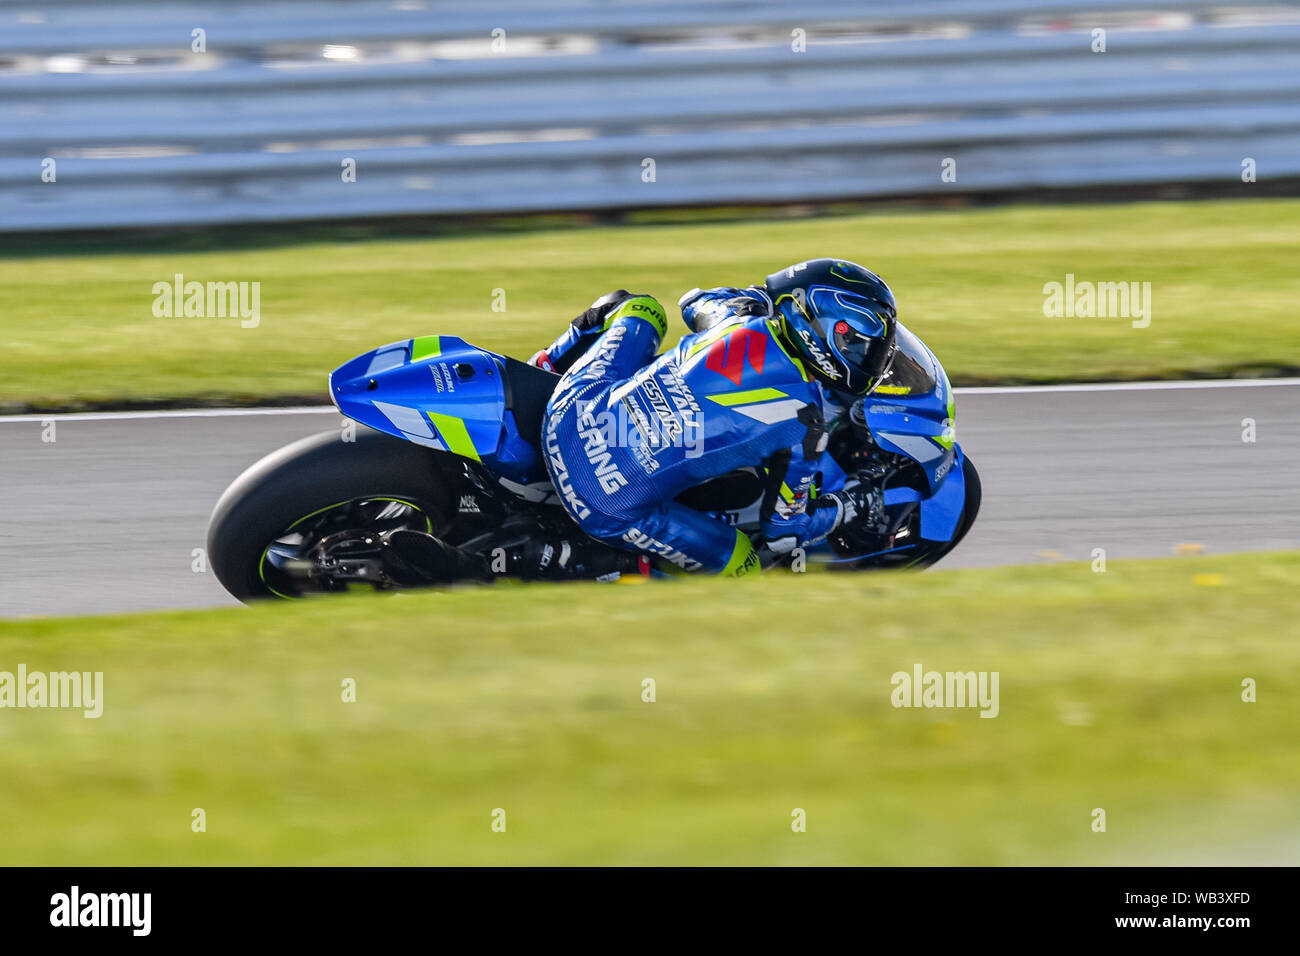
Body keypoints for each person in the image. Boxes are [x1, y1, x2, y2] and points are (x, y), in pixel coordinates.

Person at [532, 257, 896, 577]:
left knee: (641, 308)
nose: (868, 356)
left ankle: (546, 364)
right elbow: (784, 534)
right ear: (825, 331)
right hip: (603, 502)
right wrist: (849, 506)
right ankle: (621, 569)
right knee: (744, 566)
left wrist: (755, 299)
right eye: (859, 344)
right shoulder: (807, 425)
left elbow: (692, 303)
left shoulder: (737, 316)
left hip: (566, 412)